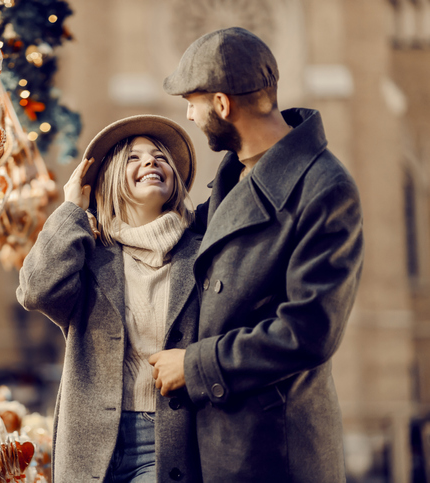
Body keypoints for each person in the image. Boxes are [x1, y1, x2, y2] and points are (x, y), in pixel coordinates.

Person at [150, 26, 364, 482]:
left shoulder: (325, 188)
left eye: (193, 101)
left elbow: (308, 331)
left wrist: (194, 364)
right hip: (218, 444)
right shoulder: (236, 177)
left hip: (275, 452)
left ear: (223, 104)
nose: (189, 115)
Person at [17, 115, 204, 483]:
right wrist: (70, 209)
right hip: (90, 442)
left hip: (169, 440)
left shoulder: (202, 254)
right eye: (133, 157)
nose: (150, 161)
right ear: (112, 179)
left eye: (159, 156)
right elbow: (35, 289)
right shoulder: (91, 256)